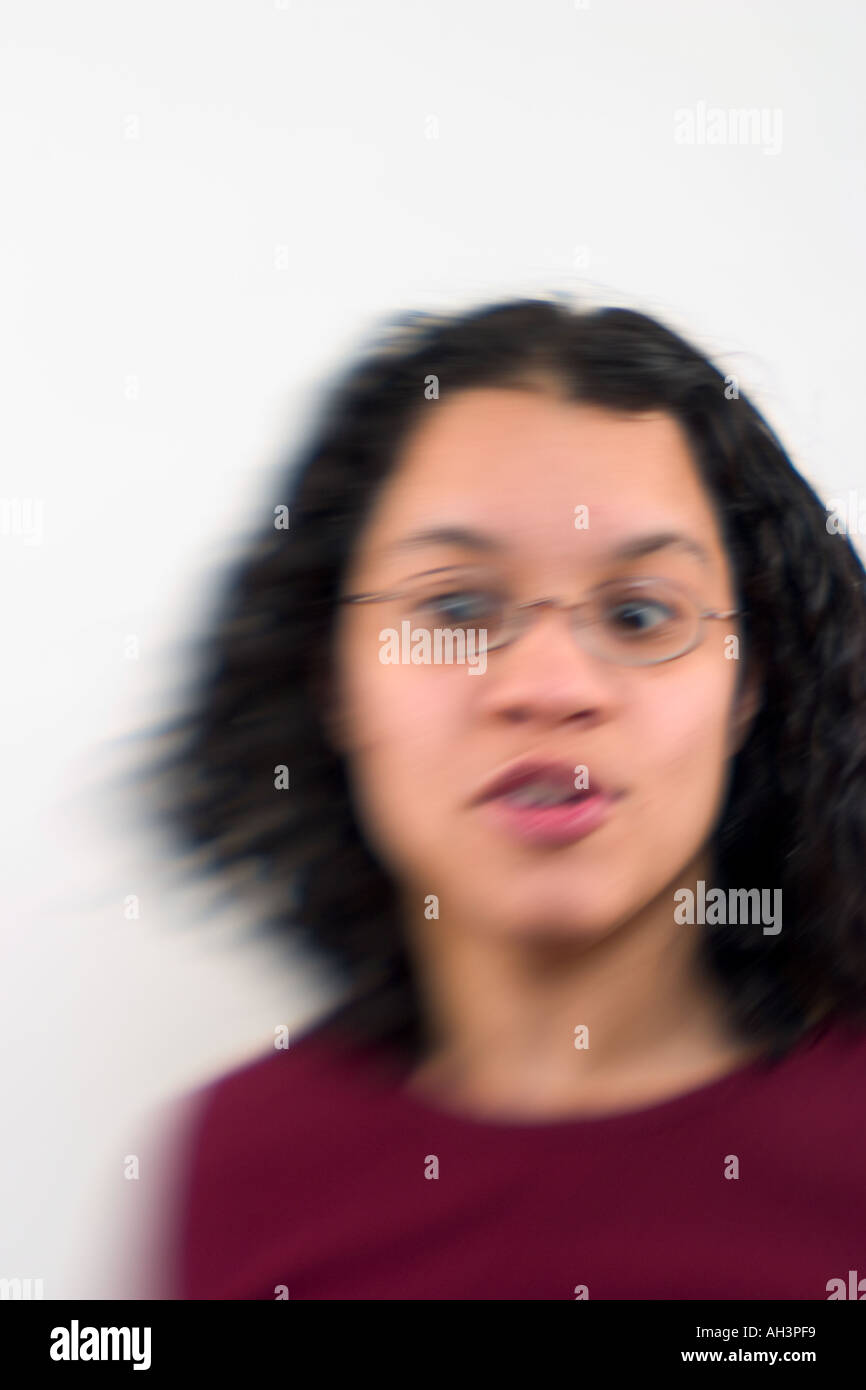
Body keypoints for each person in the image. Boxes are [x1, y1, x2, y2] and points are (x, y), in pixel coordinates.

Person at [148, 297, 866, 1300]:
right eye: (453, 606)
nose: (551, 684)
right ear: (333, 678)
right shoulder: (238, 1161)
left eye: (636, 612)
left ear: (749, 683)